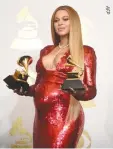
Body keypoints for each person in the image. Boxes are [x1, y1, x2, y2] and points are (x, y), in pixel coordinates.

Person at [13, 5, 97, 148]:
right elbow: (40, 85)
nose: (60, 23)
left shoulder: (86, 52)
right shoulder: (46, 50)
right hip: (41, 118)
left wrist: (78, 91)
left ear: (74, 23)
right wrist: (24, 89)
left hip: (65, 117)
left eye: (65, 19)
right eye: (56, 20)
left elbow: (91, 91)